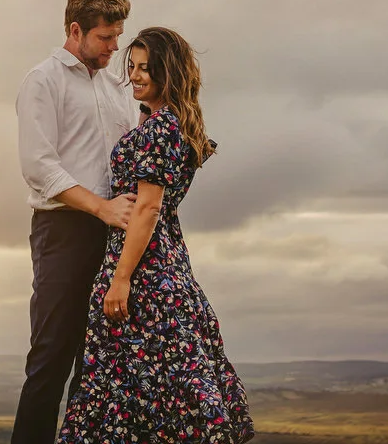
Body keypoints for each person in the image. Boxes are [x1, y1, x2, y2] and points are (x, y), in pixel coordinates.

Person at [57, 26, 253, 444]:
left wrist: (121, 278)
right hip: (167, 261)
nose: (137, 75)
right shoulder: (168, 123)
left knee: (135, 379)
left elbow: (148, 207)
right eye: (132, 67)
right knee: (154, 378)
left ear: (169, 70)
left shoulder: (159, 130)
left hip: (144, 269)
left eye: (147, 68)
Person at [12, 0, 140, 444]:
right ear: (75, 29)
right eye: (105, 37)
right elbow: (38, 167)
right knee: (51, 357)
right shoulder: (42, 80)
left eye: (117, 36)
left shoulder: (116, 85)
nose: (114, 47)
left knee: (103, 360)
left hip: (117, 233)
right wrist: (101, 207)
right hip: (63, 230)